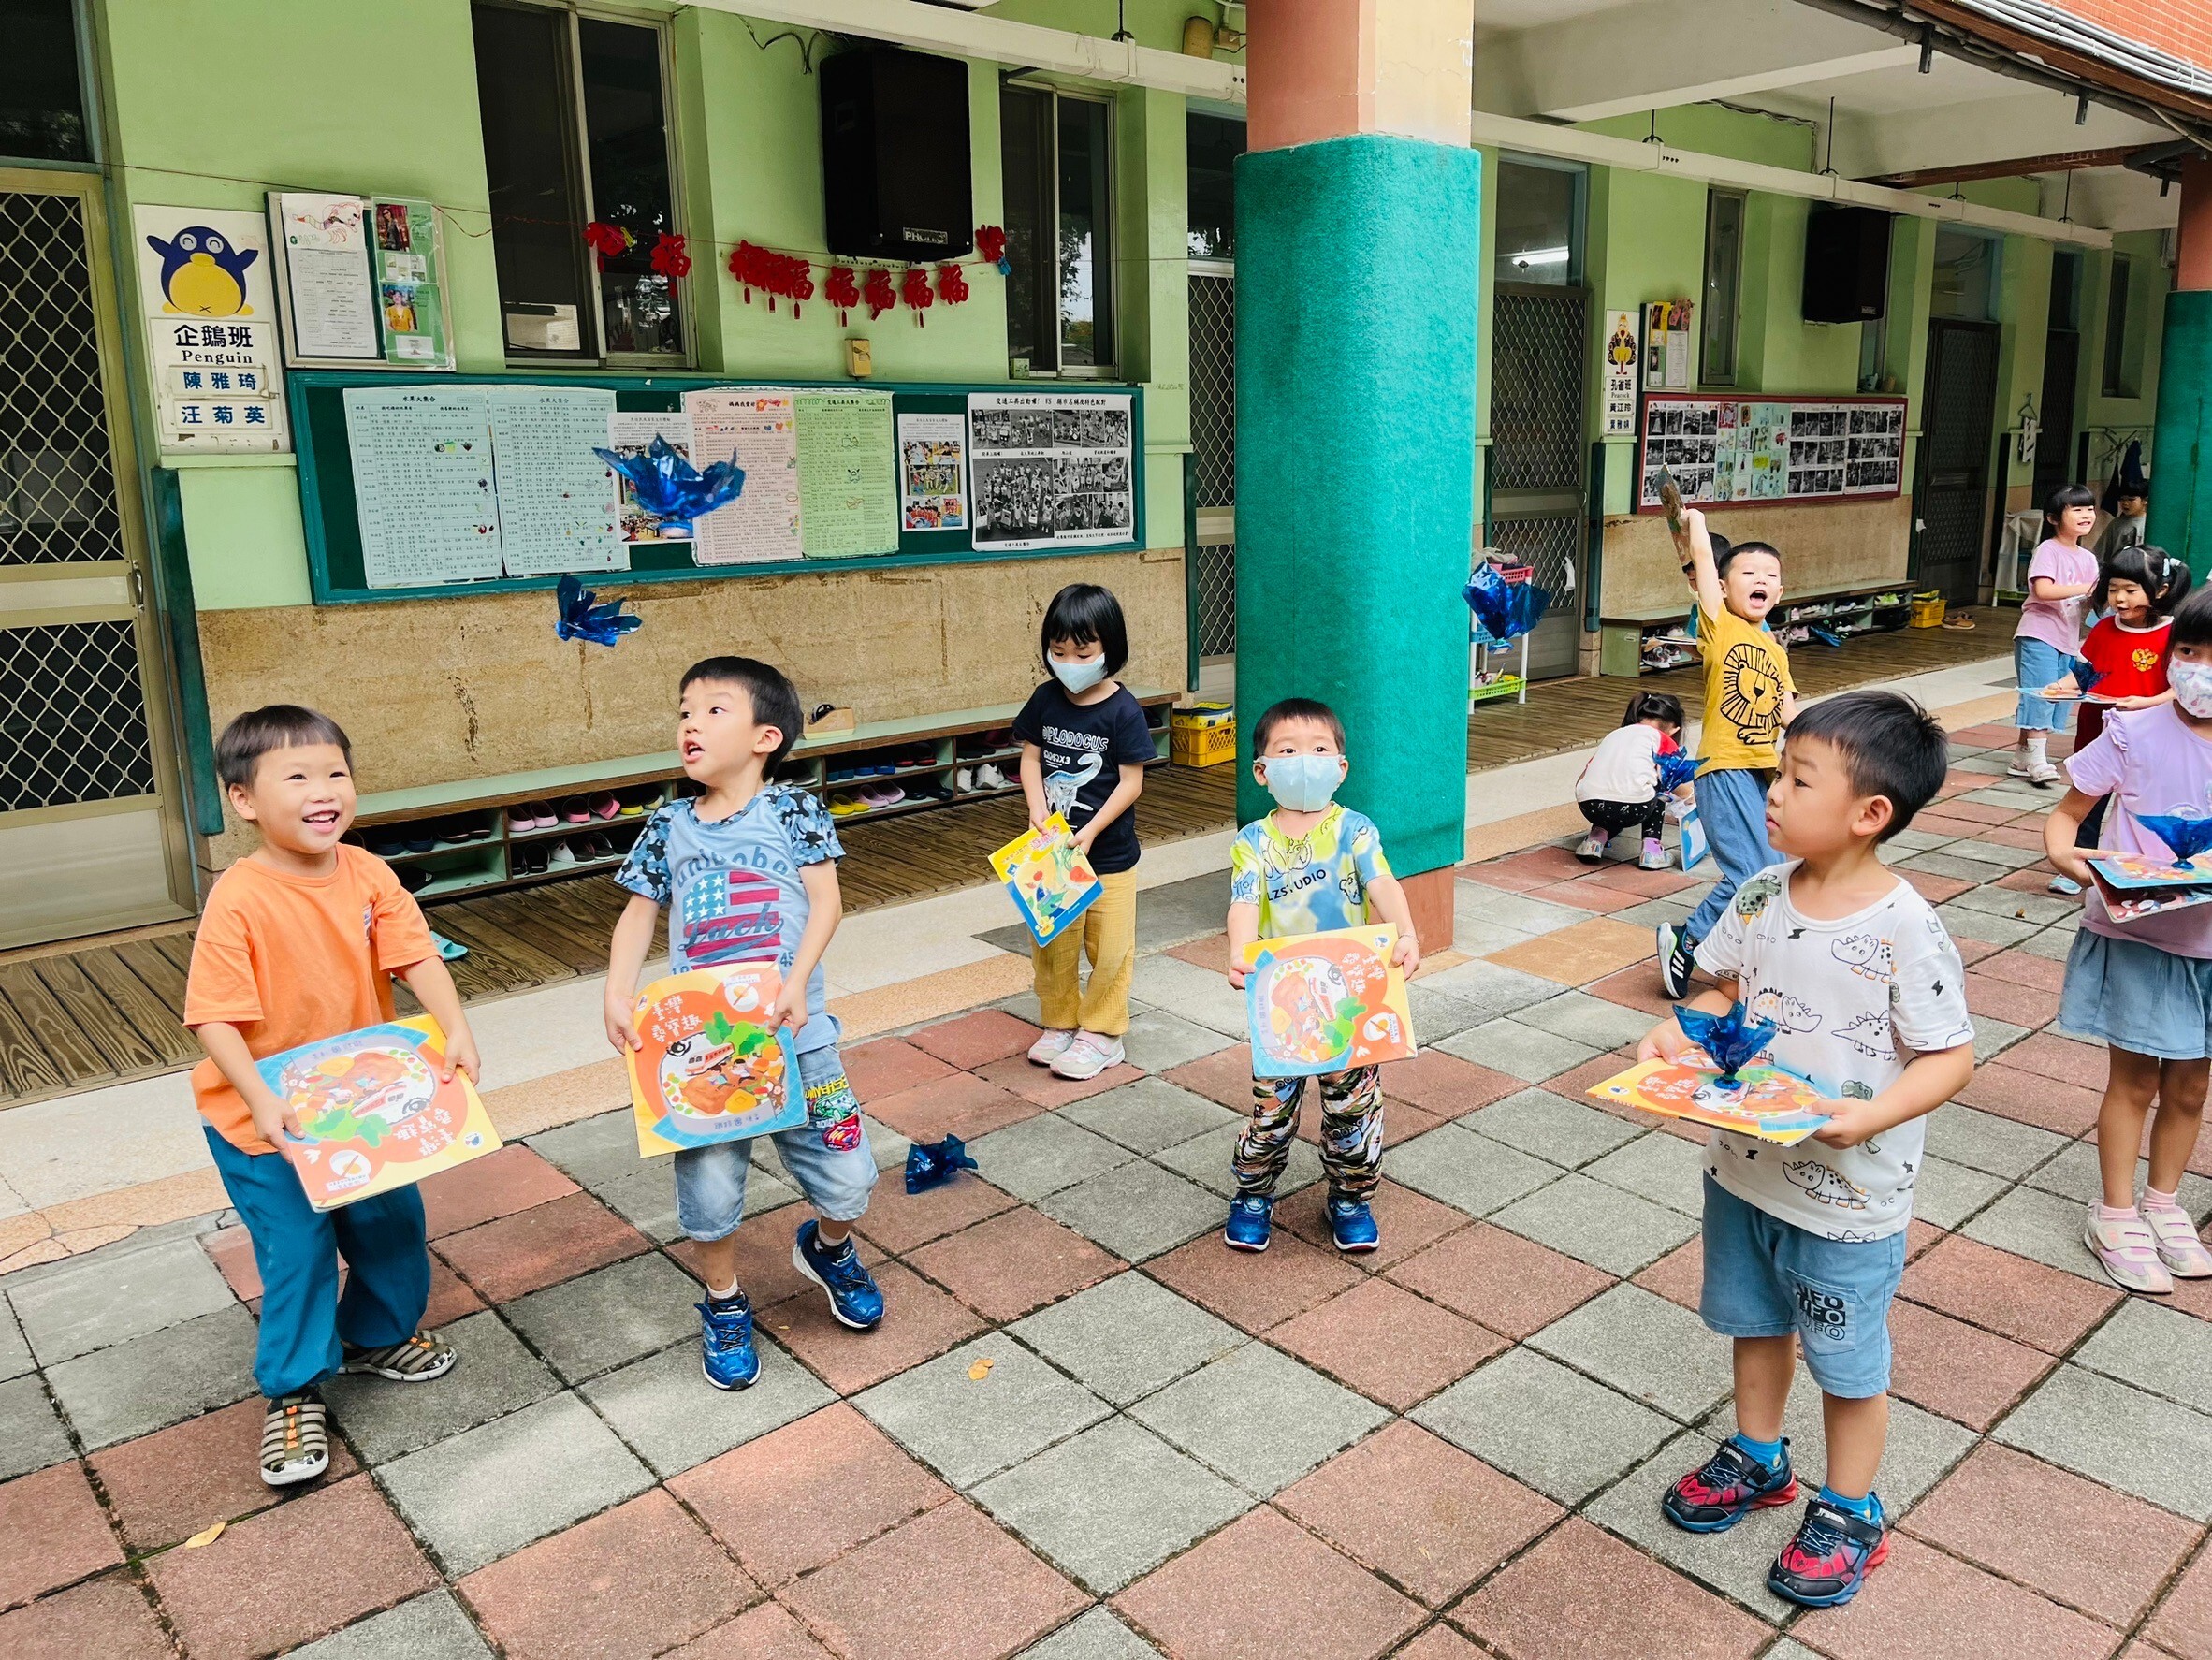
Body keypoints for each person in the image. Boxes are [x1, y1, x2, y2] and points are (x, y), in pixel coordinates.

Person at [1644, 691, 1974, 1608]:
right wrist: (1678, 1037)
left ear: (1871, 813)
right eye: (1775, 773)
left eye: (1795, 778)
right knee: (1754, 1323)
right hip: (1746, 1172)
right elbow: (1720, 992)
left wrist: (1870, 1117)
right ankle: (1758, 1455)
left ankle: (1852, 1507)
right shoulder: (1757, 895)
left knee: (1846, 1358)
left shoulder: (1904, 926)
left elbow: (1951, 1054)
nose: (1772, 794)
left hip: (1847, 1197)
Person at [185, 706, 478, 1488]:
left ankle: (377, 1335)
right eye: (298, 777)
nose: (325, 791)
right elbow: (212, 1016)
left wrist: (454, 1028)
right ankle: (294, 1389)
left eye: (336, 773)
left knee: (390, 1225)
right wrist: (260, 1098)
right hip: (262, 1119)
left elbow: (416, 957)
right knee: (300, 1253)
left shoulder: (368, 872)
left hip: (359, 1100)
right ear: (244, 800)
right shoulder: (239, 896)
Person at [605, 657, 881, 1391]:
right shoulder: (667, 823)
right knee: (709, 1190)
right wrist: (617, 991)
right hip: (701, 1052)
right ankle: (723, 1303)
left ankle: (828, 1248)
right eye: (684, 711)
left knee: (848, 1172)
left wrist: (795, 984)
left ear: (766, 736)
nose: (691, 724)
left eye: (713, 710)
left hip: (803, 1040)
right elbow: (637, 915)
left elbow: (826, 903)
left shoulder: (793, 811)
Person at [2043, 584, 2212, 1294]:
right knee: (2136, 1079)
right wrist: (2068, 858)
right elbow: (2066, 816)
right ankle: (2114, 1211)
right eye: (2191, 652)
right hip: (2141, 933)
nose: (2199, 670)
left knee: (2193, 1084)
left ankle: (2164, 1204)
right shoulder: (2131, 731)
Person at [1222, 698, 1420, 1254]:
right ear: (1263, 771)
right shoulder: (1252, 842)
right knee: (1271, 1112)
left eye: (1318, 749)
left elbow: (1381, 882)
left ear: (1341, 766)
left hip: (1349, 997)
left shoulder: (1355, 830)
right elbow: (1242, 901)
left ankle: (1351, 1195)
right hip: (1281, 998)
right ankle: (1253, 1193)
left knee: (1353, 1109)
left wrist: (1405, 932)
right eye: (1287, 751)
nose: (1304, 761)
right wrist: (1240, 949)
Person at [1654, 506, 1798, 1000]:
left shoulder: (1776, 648)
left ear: (1780, 592)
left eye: (1771, 576)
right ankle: (1688, 941)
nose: (1761, 580)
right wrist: (1693, 519)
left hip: (1765, 769)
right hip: (1725, 765)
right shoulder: (1719, 625)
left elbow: (1787, 711)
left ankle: (1747, 952)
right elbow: (1699, 554)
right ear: (1722, 586)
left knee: (1776, 873)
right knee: (1751, 874)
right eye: (1749, 573)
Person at [1016, 583, 1154, 1081]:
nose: (1069, 661)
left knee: (1111, 947)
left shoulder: (1124, 710)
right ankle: (1059, 1023)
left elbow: (1132, 782)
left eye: (1083, 651)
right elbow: (1030, 758)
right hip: (1051, 855)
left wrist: (1092, 830)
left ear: (1108, 649)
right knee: (1052, 943)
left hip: (1111, 855)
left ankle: (1102, 1033)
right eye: (1058, 651)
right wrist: (1037, 811)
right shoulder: (1045, 699)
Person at [2040, 545, 2192, 890]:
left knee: (2150, 804)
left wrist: (2147, 702)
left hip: (2154, 737)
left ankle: (2157, 864)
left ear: (2161, 590)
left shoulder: (2176, 635)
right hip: (2099, 733)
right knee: (2088, 802)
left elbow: (2180, 687)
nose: (2119, 599)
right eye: (2112, 589)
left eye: (2129, 590)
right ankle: (2082, 864)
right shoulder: (2104, 629)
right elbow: (2084, 674)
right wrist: (2059, 687)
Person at [2012, 483, 2101, 786]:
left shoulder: (2088, 558)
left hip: (2067, 638)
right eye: (2076, 509)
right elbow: (2043, 590)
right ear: (2053, 518)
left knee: (2057, 693)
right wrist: (2087, 589)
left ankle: (2023, 755)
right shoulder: (2047, 550)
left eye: (2089, 508)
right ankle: (2038, 760)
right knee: (2043, 693)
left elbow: (2091, 602)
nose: (2086, 514)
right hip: (2039, 634)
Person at [1575, 690, 1692, 869]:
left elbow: (1583, 776)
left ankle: (1594, 841)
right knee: (1660, 788)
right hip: (1634, 808)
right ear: (1674, 729)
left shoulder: (1616, 734)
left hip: (1589, 804)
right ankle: (1652, 852)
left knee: (1613, 784)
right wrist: (1692, 798)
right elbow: (1677, 784)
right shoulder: (1662, 739)